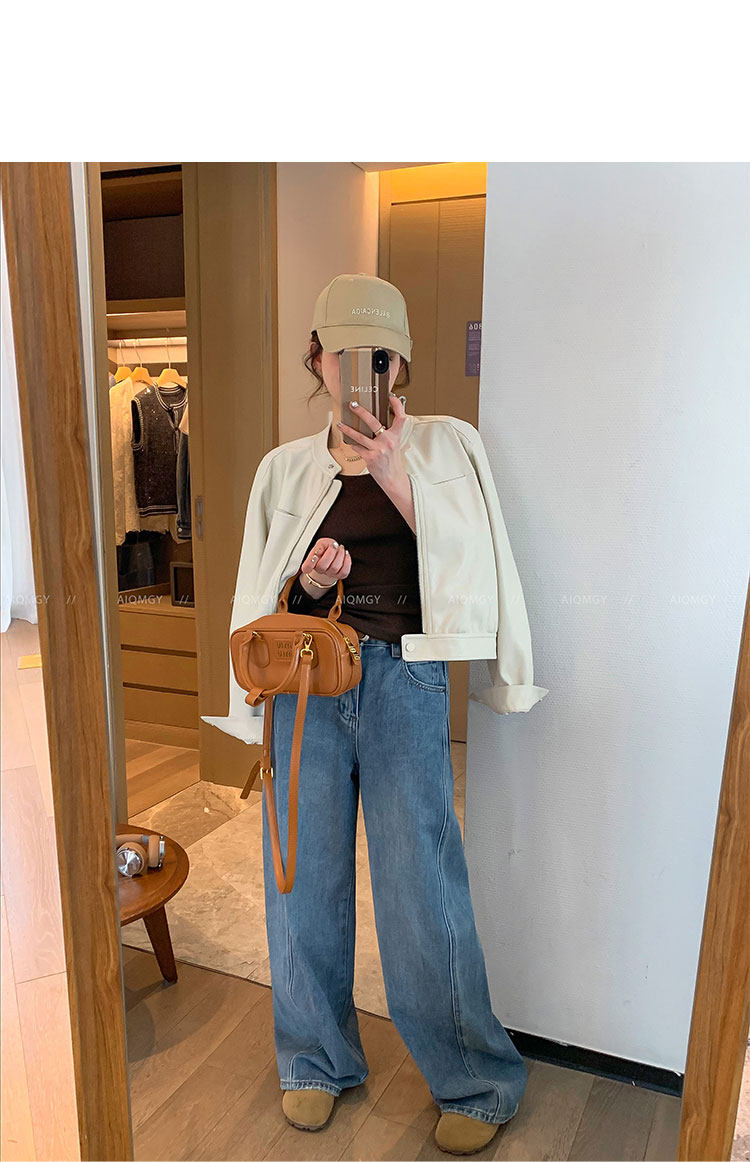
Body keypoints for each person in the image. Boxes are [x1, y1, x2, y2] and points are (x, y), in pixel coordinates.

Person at [204, 274, 543, 1155]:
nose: (363, 371)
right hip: (307, 685)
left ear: (402, 365)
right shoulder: (284, 468)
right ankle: (315, 1059)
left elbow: (477, 575)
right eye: (345, 353)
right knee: (301, 879)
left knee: (420, 884)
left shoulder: (446, 446)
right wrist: (307, 582)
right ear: (317, 359)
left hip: (404, 682)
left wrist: (398, 479)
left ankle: (476, 1079)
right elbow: (261, 599)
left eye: (380, 357)